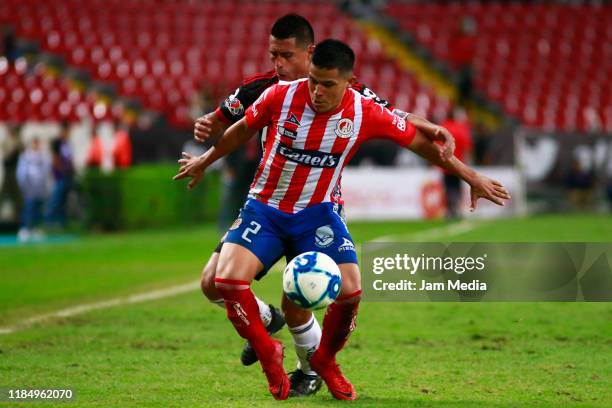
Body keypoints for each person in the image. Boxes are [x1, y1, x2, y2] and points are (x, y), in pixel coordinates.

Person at [175, 39, 510, 400]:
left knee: (351, 290)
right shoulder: (280, 96)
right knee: (224, 280)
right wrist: (205, 161)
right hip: (266, 207)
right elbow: (240, 130)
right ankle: (270, 353)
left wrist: (470, 176)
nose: (317, 91)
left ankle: (325, 360)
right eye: (313, 81)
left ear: (348, 83)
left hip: (318, 212)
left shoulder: (364, 112)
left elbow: (420, 143)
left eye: (328, 84)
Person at [440, 108, 473, 218]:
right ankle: (455, 207)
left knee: (448, 186)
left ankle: (450, 208)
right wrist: (467, 163)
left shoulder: (443, 126)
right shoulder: (462, 128)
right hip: (458, 164)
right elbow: (467, 148)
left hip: (444, 163)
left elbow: (435, 144)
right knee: (456, 186)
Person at [16, 137, 51, 241]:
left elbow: (46, 171)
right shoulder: (26, 156)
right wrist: (23, 184)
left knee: (38, 209)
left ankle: (36, 228)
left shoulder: (43, 156)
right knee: (28, 208)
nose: (36, 145)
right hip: (29, 186)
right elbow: (21, 172)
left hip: (40, 187)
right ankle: (24, 228)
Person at [45, 122, 74, 228]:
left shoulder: (67, 143)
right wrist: (61, 170)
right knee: (55, 199)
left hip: (68, 175)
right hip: (60, 175)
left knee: (63, 201)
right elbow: (55, 158)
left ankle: (62, 223)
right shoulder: (57, 142)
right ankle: (48, 221)